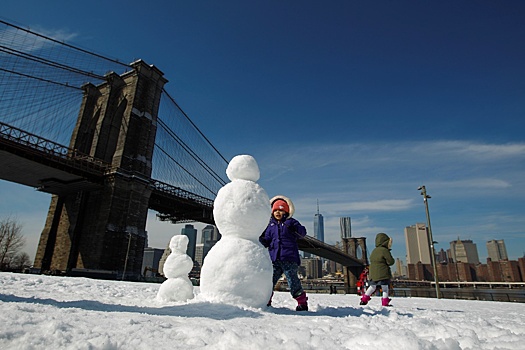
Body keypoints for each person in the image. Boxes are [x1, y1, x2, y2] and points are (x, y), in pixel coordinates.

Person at [259, 195, 308, 311]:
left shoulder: (290, 222)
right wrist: (259, 240)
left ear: (286, 211)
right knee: (269, 281)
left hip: (289, 258)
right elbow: (266, 240)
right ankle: (266, 300)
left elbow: (303, 232)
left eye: (280, 210)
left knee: (293, 281)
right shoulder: (270, 226)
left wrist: (295, 227)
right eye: (275, 210)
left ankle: (302, 302)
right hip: (274, 259)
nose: (277, 212)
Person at [360, 232, 395, 307]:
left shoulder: (374, 251)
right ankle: (385, 302)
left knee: (372, 286)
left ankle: (364, 299)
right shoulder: (384, 250)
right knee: (385, 287)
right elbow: (391, 262)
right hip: (383, 273)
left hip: (373, 273)